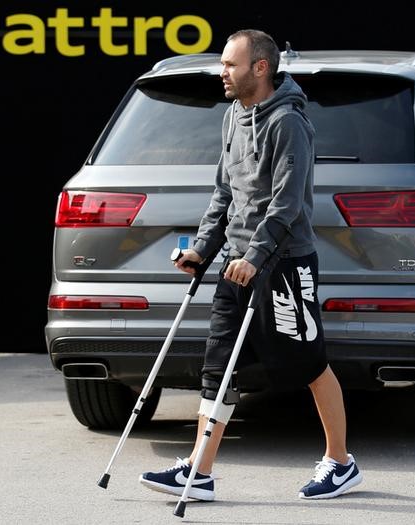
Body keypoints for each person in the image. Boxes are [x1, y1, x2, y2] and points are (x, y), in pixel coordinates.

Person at [139, 29, 362, 502]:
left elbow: (287, 204)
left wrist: (256, 256)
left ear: (260, 67)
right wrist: (202, 248)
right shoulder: (233, 116)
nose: (222, 72)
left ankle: (341, 462)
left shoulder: (289, 123)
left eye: (230, 65)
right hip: (235, 264)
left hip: (282, 264)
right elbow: (226, 193)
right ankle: (198, 471)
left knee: (309, 363)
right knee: (216, 367)